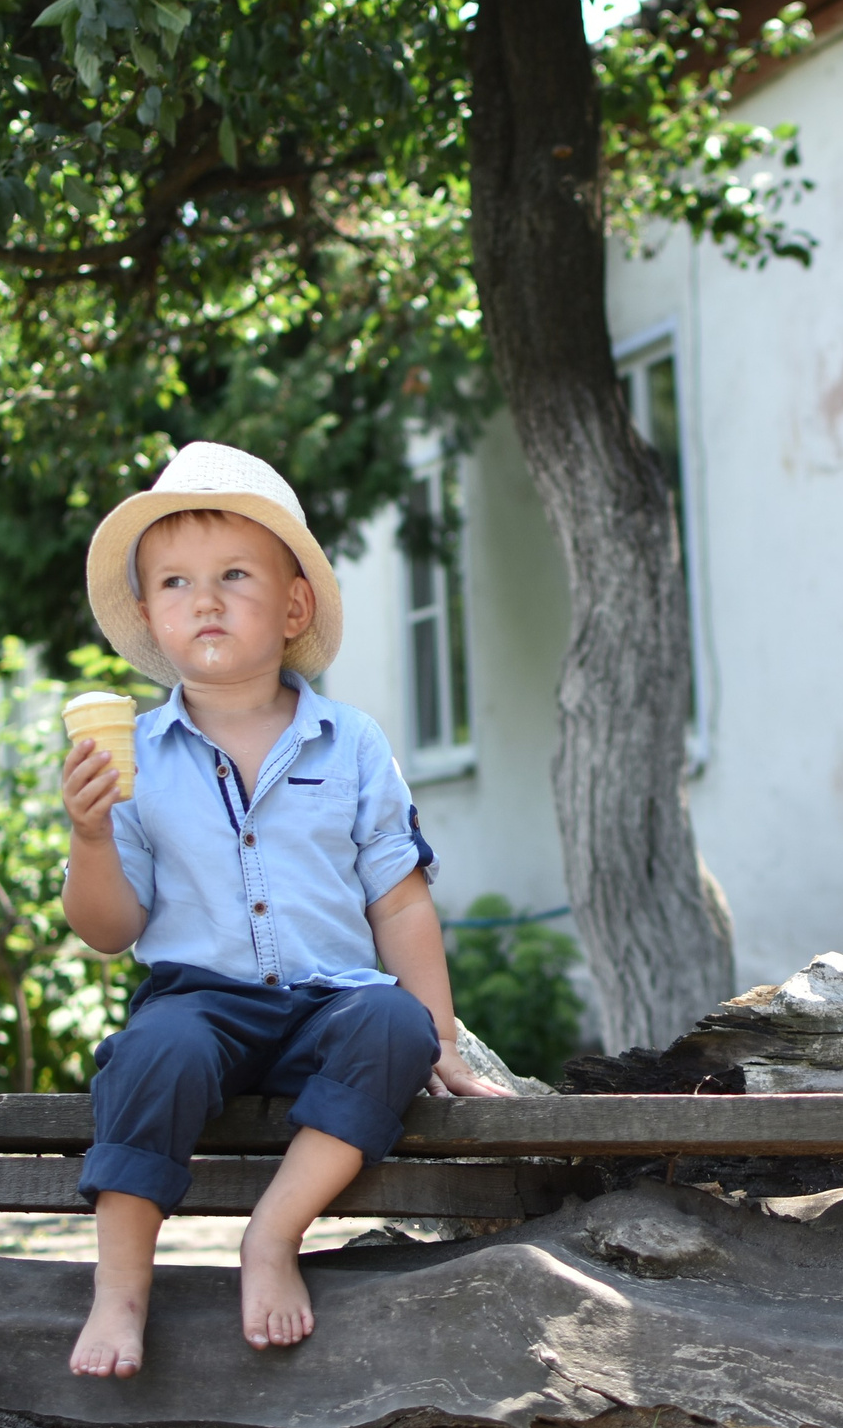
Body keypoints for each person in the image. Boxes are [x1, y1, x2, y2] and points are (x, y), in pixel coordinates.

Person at [59, 441, 509, 1378]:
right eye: (176, 582)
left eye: (234, 575)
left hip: (326, 1005)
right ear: (148, 615)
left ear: (294, 603)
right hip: (199, 1003)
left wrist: (446, 1040)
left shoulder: (351, 742)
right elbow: (109, 933)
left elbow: (399, 898)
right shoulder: (134, 757)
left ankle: (272, 1235)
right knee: (151, 1051)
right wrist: (92, 837)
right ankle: (119, 1291)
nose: (206, 600)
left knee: (397, 1024)